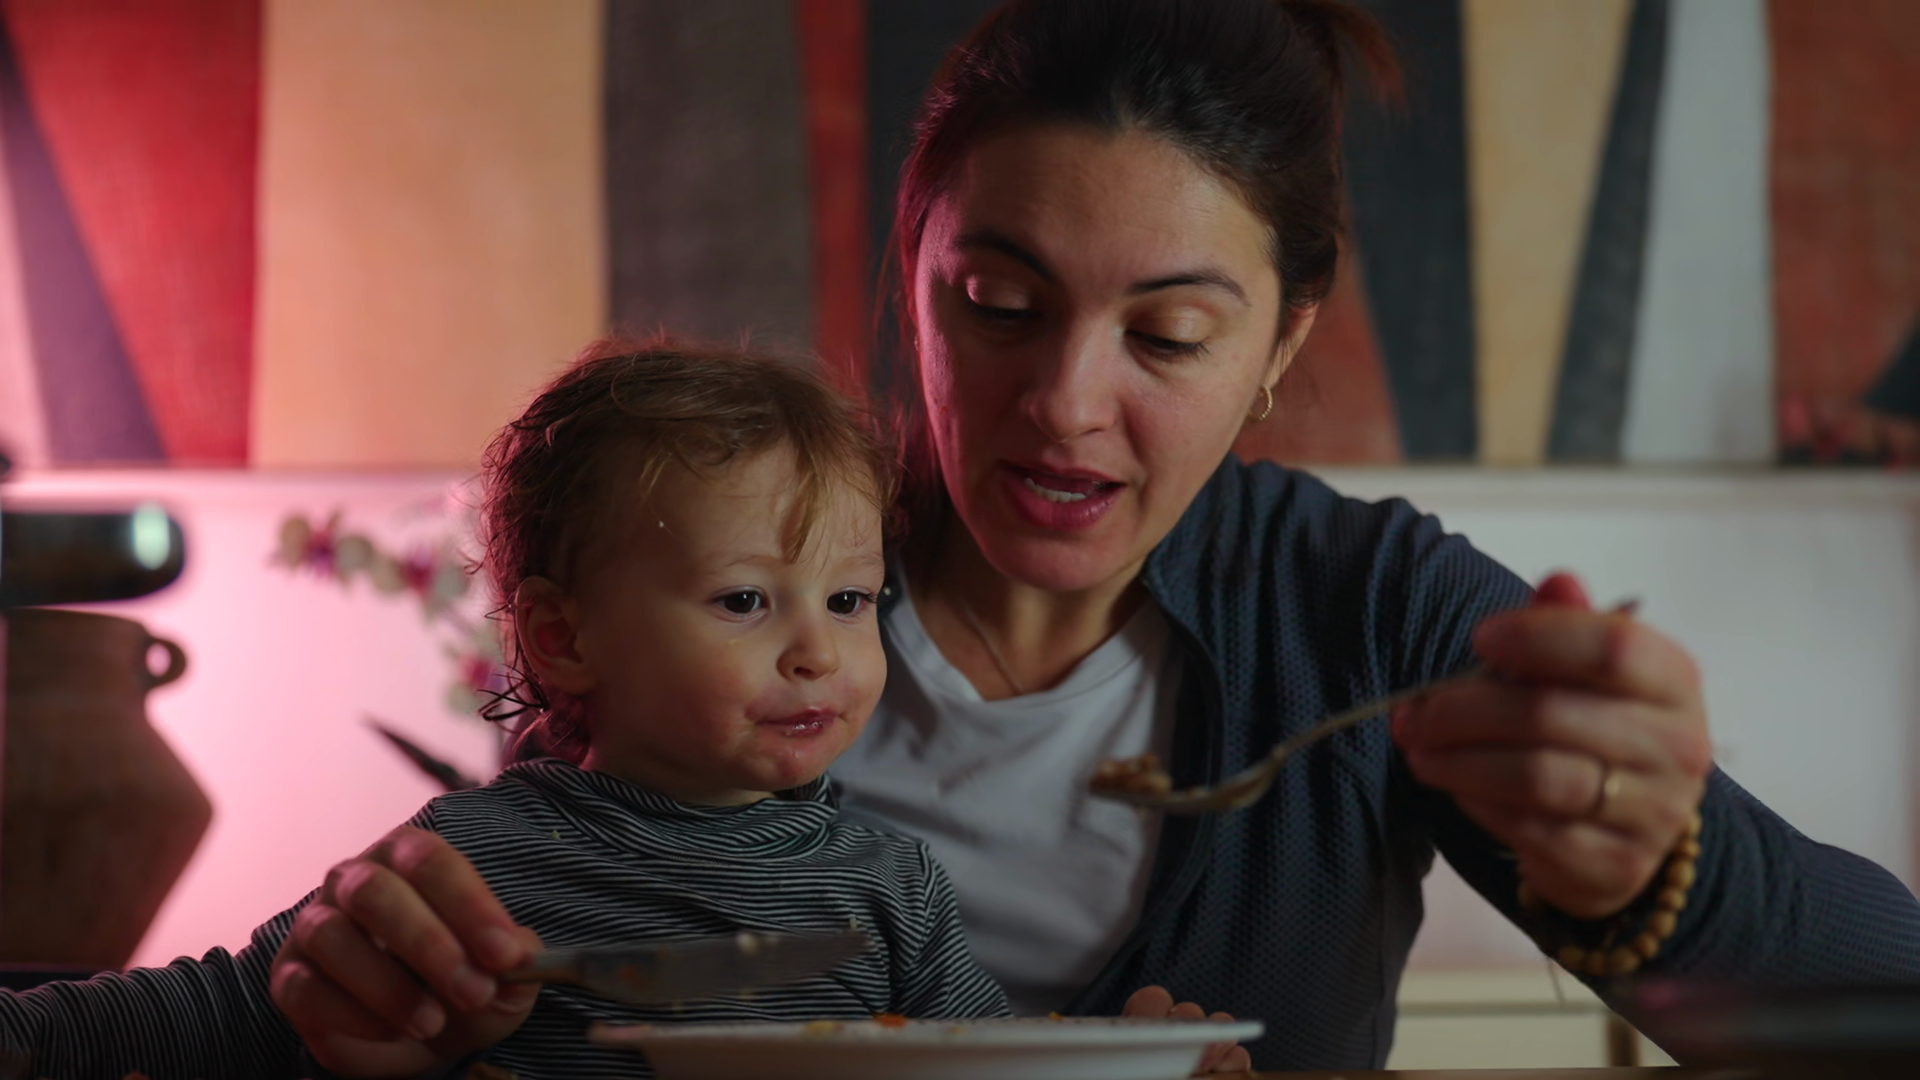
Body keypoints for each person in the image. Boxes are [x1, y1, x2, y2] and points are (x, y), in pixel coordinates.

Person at [271, 0, 1920, 1072]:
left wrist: (1662, 877)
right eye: (998, 302)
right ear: (913, 268)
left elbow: (1874, 1007)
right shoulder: (729, 579)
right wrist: (392, 998)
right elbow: (538, 971)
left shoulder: (1367, 616)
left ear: (1281, 339)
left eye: (1169, 335)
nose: (1063, 403)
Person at [0, 343, 1015, 1080]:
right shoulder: (471, 860)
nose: (819, 652)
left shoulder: (896, 887)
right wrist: (27, 1035)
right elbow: (228, 1008)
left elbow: (1003, 1063)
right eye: (745, 600)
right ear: (565, 636)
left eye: (850, 601)